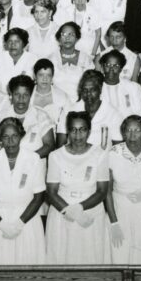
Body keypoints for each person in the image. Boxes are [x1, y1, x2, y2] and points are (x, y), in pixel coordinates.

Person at [0, 116, 47, 265]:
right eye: (6, 137)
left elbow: (39, 197)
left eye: (14, 136)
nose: (10, 141)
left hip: (26, 222)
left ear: (21, 136)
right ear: (0, 139)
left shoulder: (34, 159)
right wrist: (2, 224)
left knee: (27, 271)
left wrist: (19, 224)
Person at [46, 111, 111, 264]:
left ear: (89, 131)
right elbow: (51, 192)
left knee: (91, 256)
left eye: (82, 129)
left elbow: (102, 191)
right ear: (68, 131)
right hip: (62, 213)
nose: (78, 135)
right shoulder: (55, 155)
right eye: (73, 130)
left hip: (90, 212)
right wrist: (70, 211)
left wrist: (80, 209)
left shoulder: (100, 154)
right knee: (62, 257)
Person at [105, 115, 141, 264]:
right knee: (119, 253)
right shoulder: (112, 153)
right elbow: (107, 190)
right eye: (128, 130)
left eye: (137, 130)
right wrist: (113, 222)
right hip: (119, 207)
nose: (132, 135)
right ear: (123, 132)